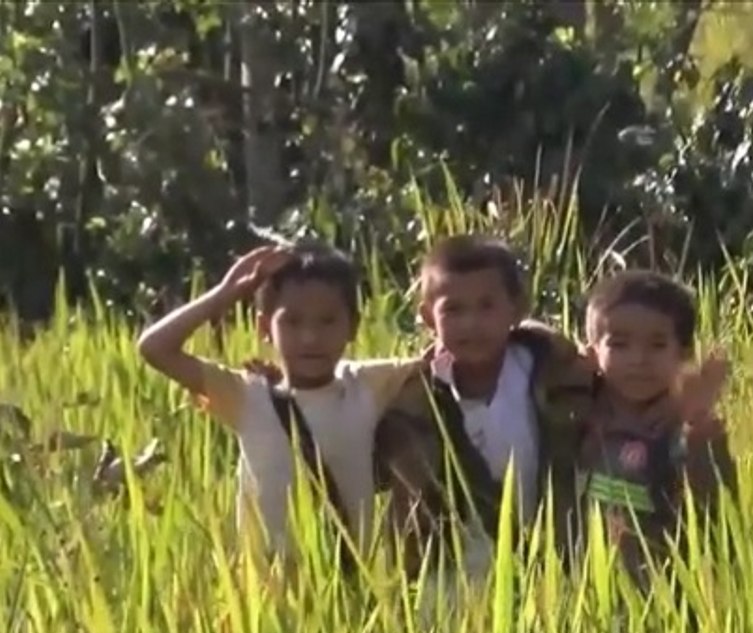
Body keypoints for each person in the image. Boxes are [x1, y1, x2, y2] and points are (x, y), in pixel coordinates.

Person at [136, 241, 421, 579]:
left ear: (353, 326)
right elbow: (154, 348)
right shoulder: (245, 394)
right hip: (268, 587)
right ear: (264, 328)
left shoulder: (367, 384)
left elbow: (445, 360)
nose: (311, 337)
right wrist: (224, 295)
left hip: (348, 581)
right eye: (293, 322)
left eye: (328, 321)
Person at [374, 234, 596, 588]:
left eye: (486, 306)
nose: (471, 324)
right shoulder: (412, 396)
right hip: (450, 577)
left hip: (553, 566)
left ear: (517, 308)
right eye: (454, 310)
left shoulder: (556, 375)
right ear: (429, 317)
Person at [576, 269, 737, 597]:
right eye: (619, 344)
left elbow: (715, 512)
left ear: (684, 354)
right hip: (583, 592)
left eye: (657, 345)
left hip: (663, 594)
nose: (638, 360)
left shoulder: (685, 428)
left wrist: (698, 427)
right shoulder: (576, 408)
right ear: (592, 353)